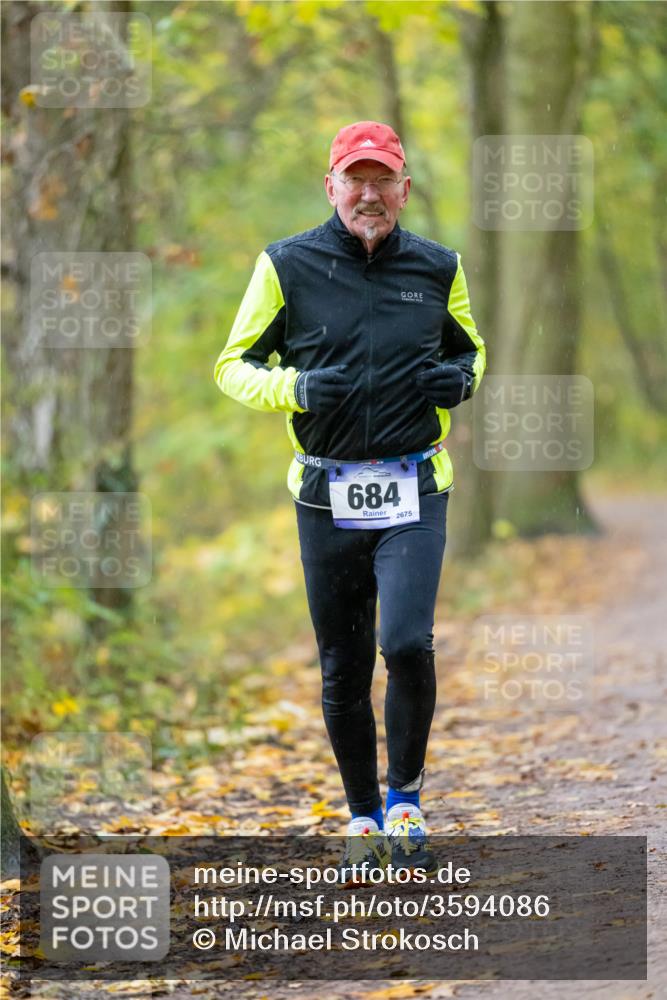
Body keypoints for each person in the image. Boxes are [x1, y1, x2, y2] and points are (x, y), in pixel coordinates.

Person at [214, 121, 485, 883]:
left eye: (382, 180)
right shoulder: (284, 264)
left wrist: (461, 381)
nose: (369, 194)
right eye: (355, 180)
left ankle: (405, 802)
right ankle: (362, 815)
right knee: (342, 663)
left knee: (405, 642)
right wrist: (293, 387)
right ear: (330, 186)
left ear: (404, 189)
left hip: (413, 485)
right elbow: (232, 366)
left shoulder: (438, 266)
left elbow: (468, 350)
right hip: (324, 492)